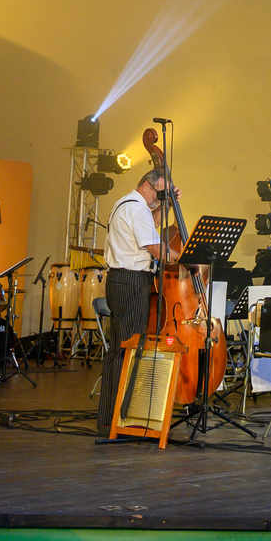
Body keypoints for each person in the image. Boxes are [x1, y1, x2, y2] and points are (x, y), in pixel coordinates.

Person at [95, 168, 172, 439]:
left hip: (122, 280)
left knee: (122, 350)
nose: (160, 199)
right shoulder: (137, 208)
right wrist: (182, 258)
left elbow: (152, 225)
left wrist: (165, 204)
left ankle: (115, 419)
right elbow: (155, 247)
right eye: (160, 194)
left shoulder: (127, 203)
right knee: (126, 350)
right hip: (131, 281)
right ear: (149, 186)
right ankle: (116, 421)